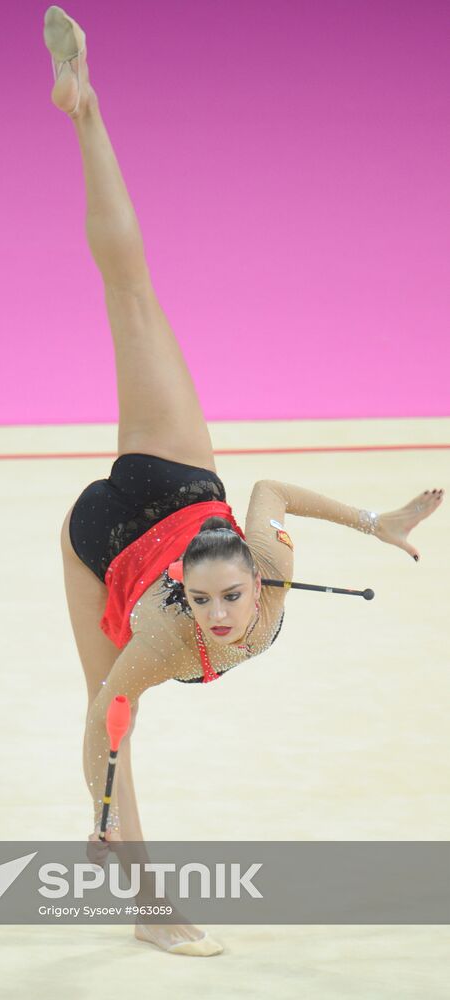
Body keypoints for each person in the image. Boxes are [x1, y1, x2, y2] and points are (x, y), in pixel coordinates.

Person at [43, 6, 445, 956]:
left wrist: (372, 519)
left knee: (136, 296)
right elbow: (108, 712)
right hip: (123, 516)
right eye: (208, 603)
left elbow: (267, 490)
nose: (221, 618)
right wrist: (100, 803)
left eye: (231, 599)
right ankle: (146, 903)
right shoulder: (161, 638)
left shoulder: (259, 558)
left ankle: (81, 108)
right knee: (130, 290)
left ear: (257, 580)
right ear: (181, 594)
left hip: (165, 502)